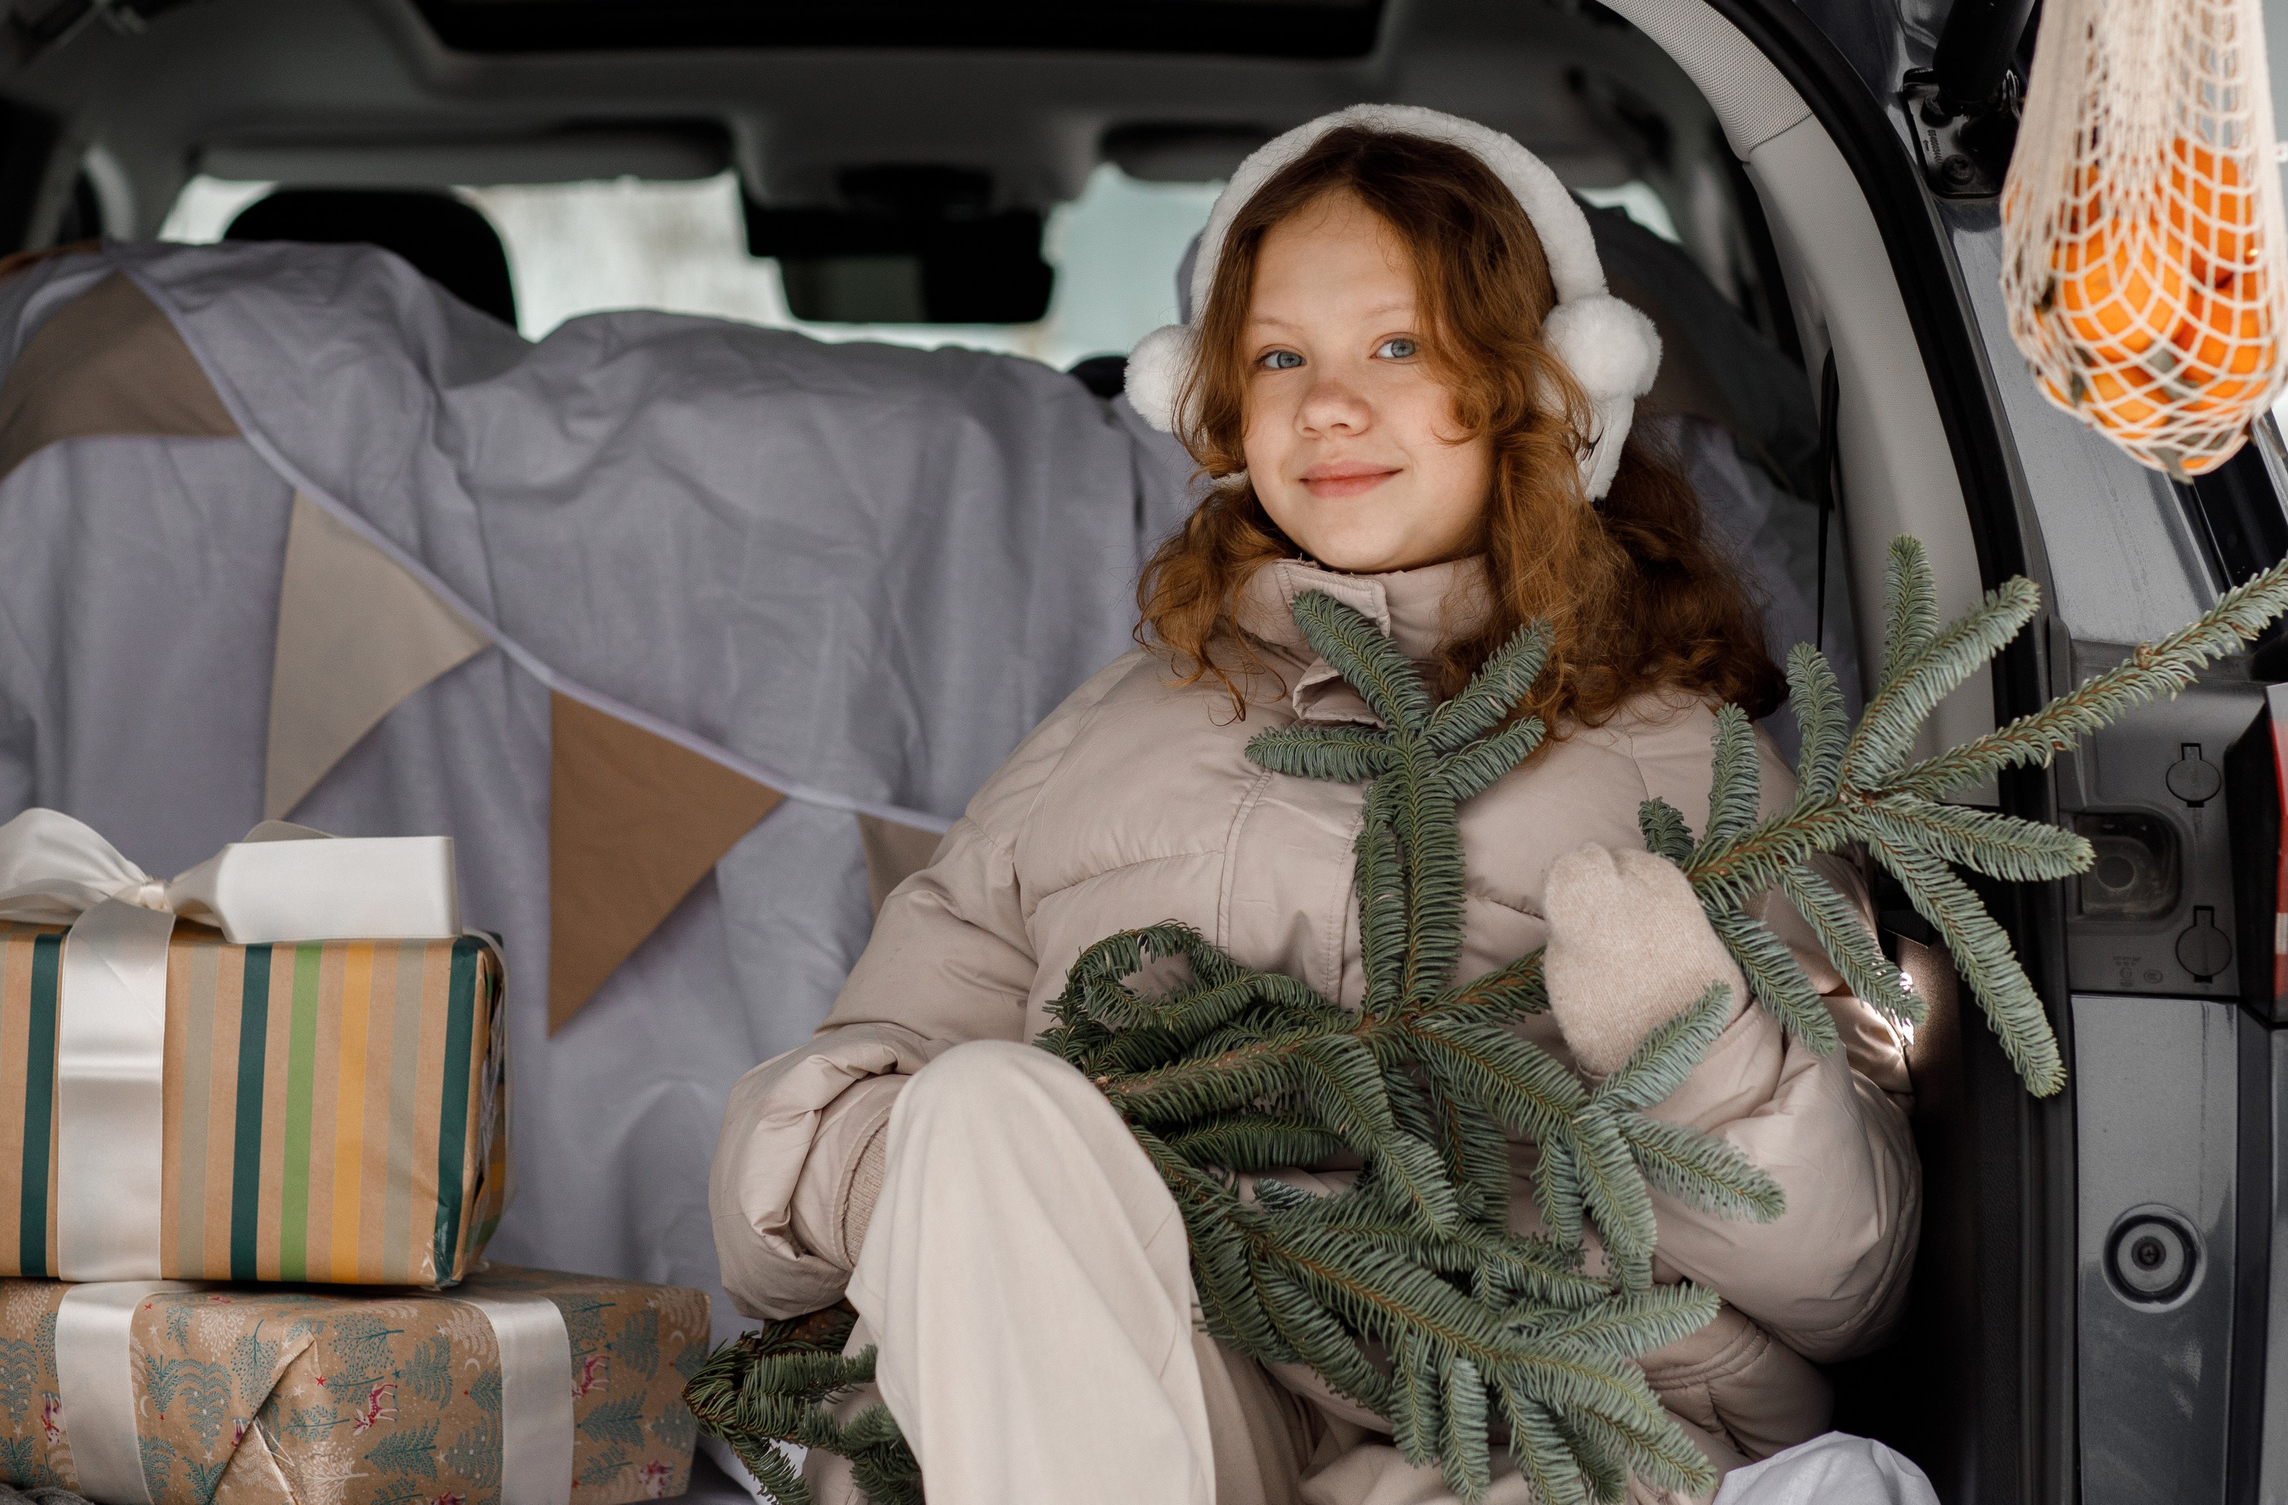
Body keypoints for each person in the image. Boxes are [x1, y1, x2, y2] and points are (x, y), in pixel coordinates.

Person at [709, 107, 1919, 1505]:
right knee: (975, 1104)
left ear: (1543, 384)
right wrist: (934, 1196)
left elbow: (1856, 1282)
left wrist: (1692, 1052)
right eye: (1279, 356)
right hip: (1164, 1411)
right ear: (1216, 402)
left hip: (1533, 1421)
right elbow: (817, 1134)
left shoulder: (1686, 763)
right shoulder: (1106, 741)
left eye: (1398, 348)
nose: (1327, 404)